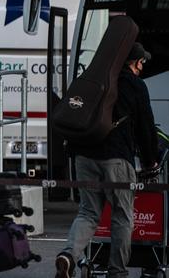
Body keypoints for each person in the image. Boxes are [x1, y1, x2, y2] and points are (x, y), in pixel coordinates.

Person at [56, 42, 159, 278]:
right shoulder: (135, 85)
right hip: (116, 158)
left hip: (83, 155)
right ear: (135, 62)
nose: (142, 68)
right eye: (142, 63)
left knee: (88, 213)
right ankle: (117, 272)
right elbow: (146, 128)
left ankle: (69, 256)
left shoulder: (94, 78)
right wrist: (150, 160)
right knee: (122, 216)